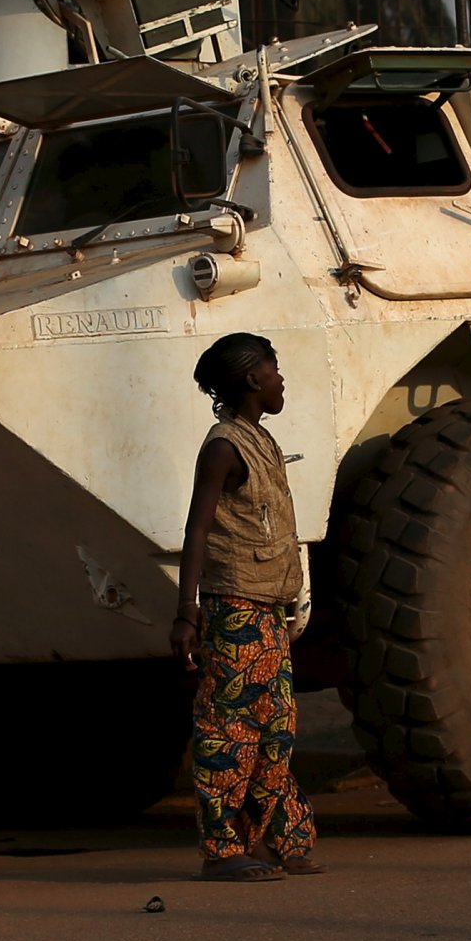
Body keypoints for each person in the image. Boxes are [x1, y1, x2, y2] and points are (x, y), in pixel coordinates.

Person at [173, 331, 320, 884]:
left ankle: (280, 838)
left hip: (267, 610)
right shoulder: (224, 448)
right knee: (229, 730)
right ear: (253, 379)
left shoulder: (261, 441)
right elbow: (197, 528)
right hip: (234, 609)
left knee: (276, 727)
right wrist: (186, 611)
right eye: (274, 369)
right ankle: (223, 849)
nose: (281, 379)